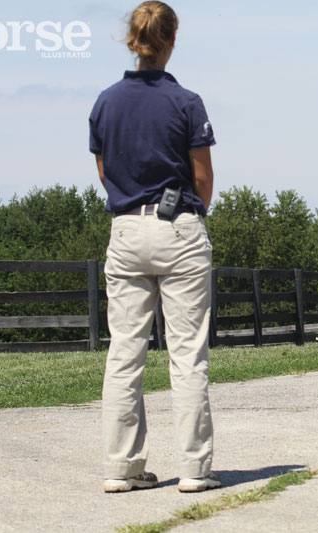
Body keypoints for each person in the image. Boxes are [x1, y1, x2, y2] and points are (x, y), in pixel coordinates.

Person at [89, 1, 219, 494]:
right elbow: (203, 178)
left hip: (125, 229)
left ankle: (122, 469)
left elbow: (105, 173)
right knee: (186, 354)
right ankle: (194, 469)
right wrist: (190, 213)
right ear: (171, 40)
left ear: (133, 41)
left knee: (125, 353)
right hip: (178, 228)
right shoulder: (187, 103)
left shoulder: (105, 102)